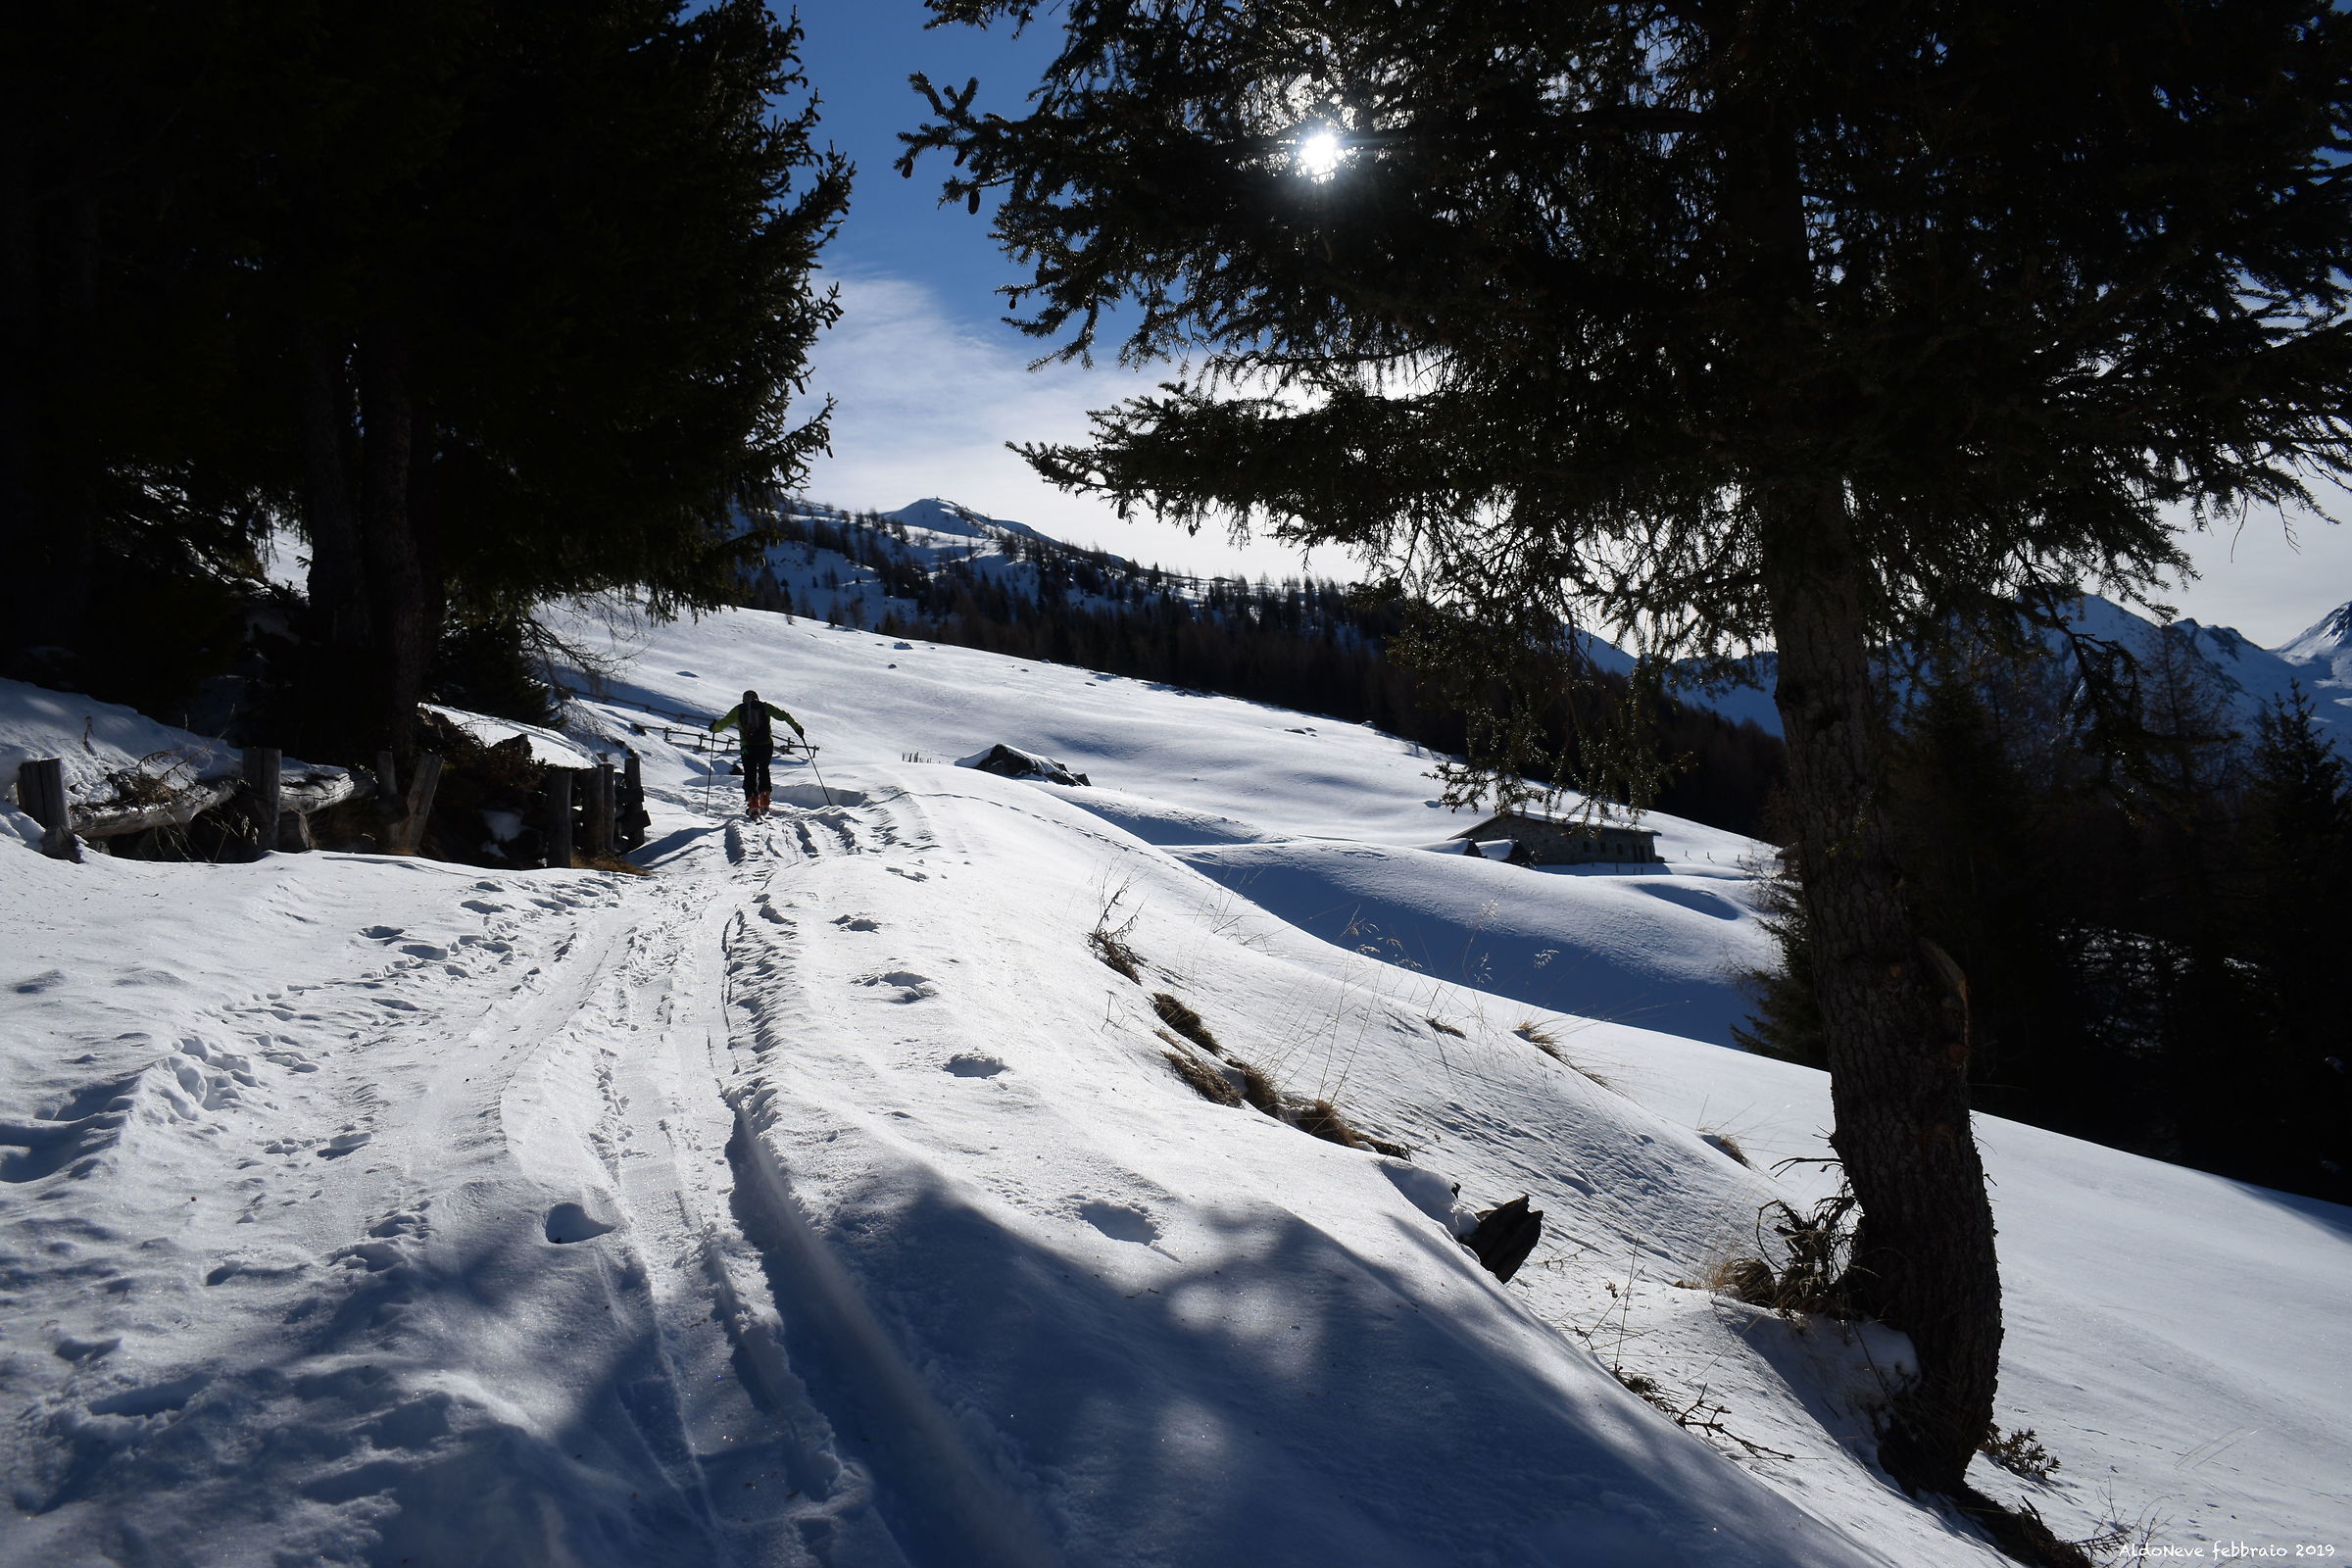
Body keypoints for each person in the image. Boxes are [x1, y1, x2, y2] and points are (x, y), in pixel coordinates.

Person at [710, 689, 806, 817]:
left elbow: (722, 724)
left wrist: (714, 728)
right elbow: (784, 716)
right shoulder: (765, 707)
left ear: (744, 699)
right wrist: (797, 728)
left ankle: (753, 802)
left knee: (750, 773)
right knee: (764, 770)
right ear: (757, 698)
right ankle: (765, 799)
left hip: (747, 747)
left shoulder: (739, 709)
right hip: (766, 745)